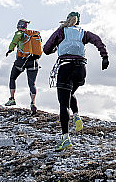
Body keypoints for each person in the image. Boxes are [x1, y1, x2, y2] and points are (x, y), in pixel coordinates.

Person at [43, 11, 109, 151]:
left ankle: (65, 138)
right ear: (78, 22)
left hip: (65, 67)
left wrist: (55, 48)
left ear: (68, 19)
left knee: (63, 103)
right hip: (81, 69)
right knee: (70, 93)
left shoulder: (61, 31)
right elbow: (97, 39)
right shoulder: (83, 33)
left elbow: (46, 49)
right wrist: (104, 56)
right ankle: (77, 115)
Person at [5, 19, 42, 114]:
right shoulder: (34, 34)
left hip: (22, 60)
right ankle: (33, 103)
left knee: (13, 77)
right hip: (34, 61)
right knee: (32, 84)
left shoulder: (20, 33)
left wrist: (10, 49)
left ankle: (12, 99)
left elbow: (15, 40)